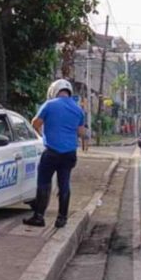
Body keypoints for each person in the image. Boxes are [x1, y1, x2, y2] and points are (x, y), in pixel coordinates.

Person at [23, 79, 86, 228]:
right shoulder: (78, 110)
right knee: (64, 183)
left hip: (51, 152)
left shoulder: (49, 105)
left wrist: (43, 133)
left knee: (44, 183)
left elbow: (35, 123)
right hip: (70, 153)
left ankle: (39, 217)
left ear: (54, 90)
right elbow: (81, 132)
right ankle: (62, 218)